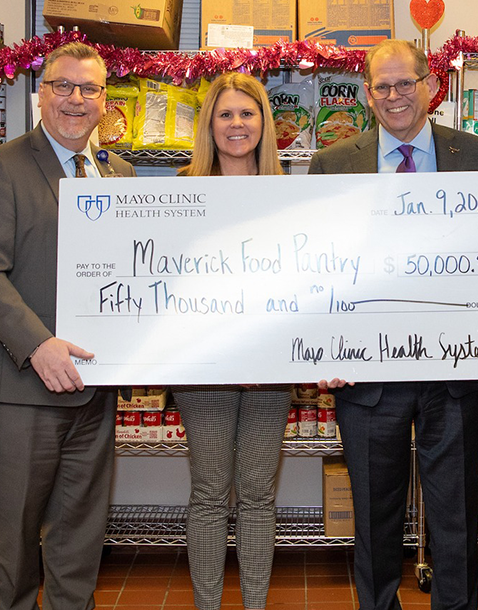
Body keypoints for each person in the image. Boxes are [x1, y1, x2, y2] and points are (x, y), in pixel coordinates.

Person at [307, 39, 478, 610]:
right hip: (368, 376)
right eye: (382, 86)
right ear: (368, 93)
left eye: (406, 82)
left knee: (456, 520)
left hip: (453, 371)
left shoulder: (474, 154)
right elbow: (319, 265)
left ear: (430, 85)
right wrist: (325, 346)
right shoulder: (332, 162)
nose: (395, 95)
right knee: (374, 519)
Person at [0, 41, 136, 610]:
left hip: (94, 390)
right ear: (41, 94)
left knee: (80, 541)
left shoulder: (120, 173)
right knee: (14, 545)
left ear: (104, 100)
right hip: (24, 395)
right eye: (63, 86)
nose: (75, 100)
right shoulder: (2, 166)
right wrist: (39, 346)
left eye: (89, 89)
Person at [173, 73, 292, 610]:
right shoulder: (182, 191)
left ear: (264, 123)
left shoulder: (289, 195)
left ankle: (255, 604)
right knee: (208, 490)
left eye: (248, 114)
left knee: (259, 493)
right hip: (205, 371)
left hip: (271, 369)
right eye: (225, 115)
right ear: (209, 125)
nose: (237, 124)